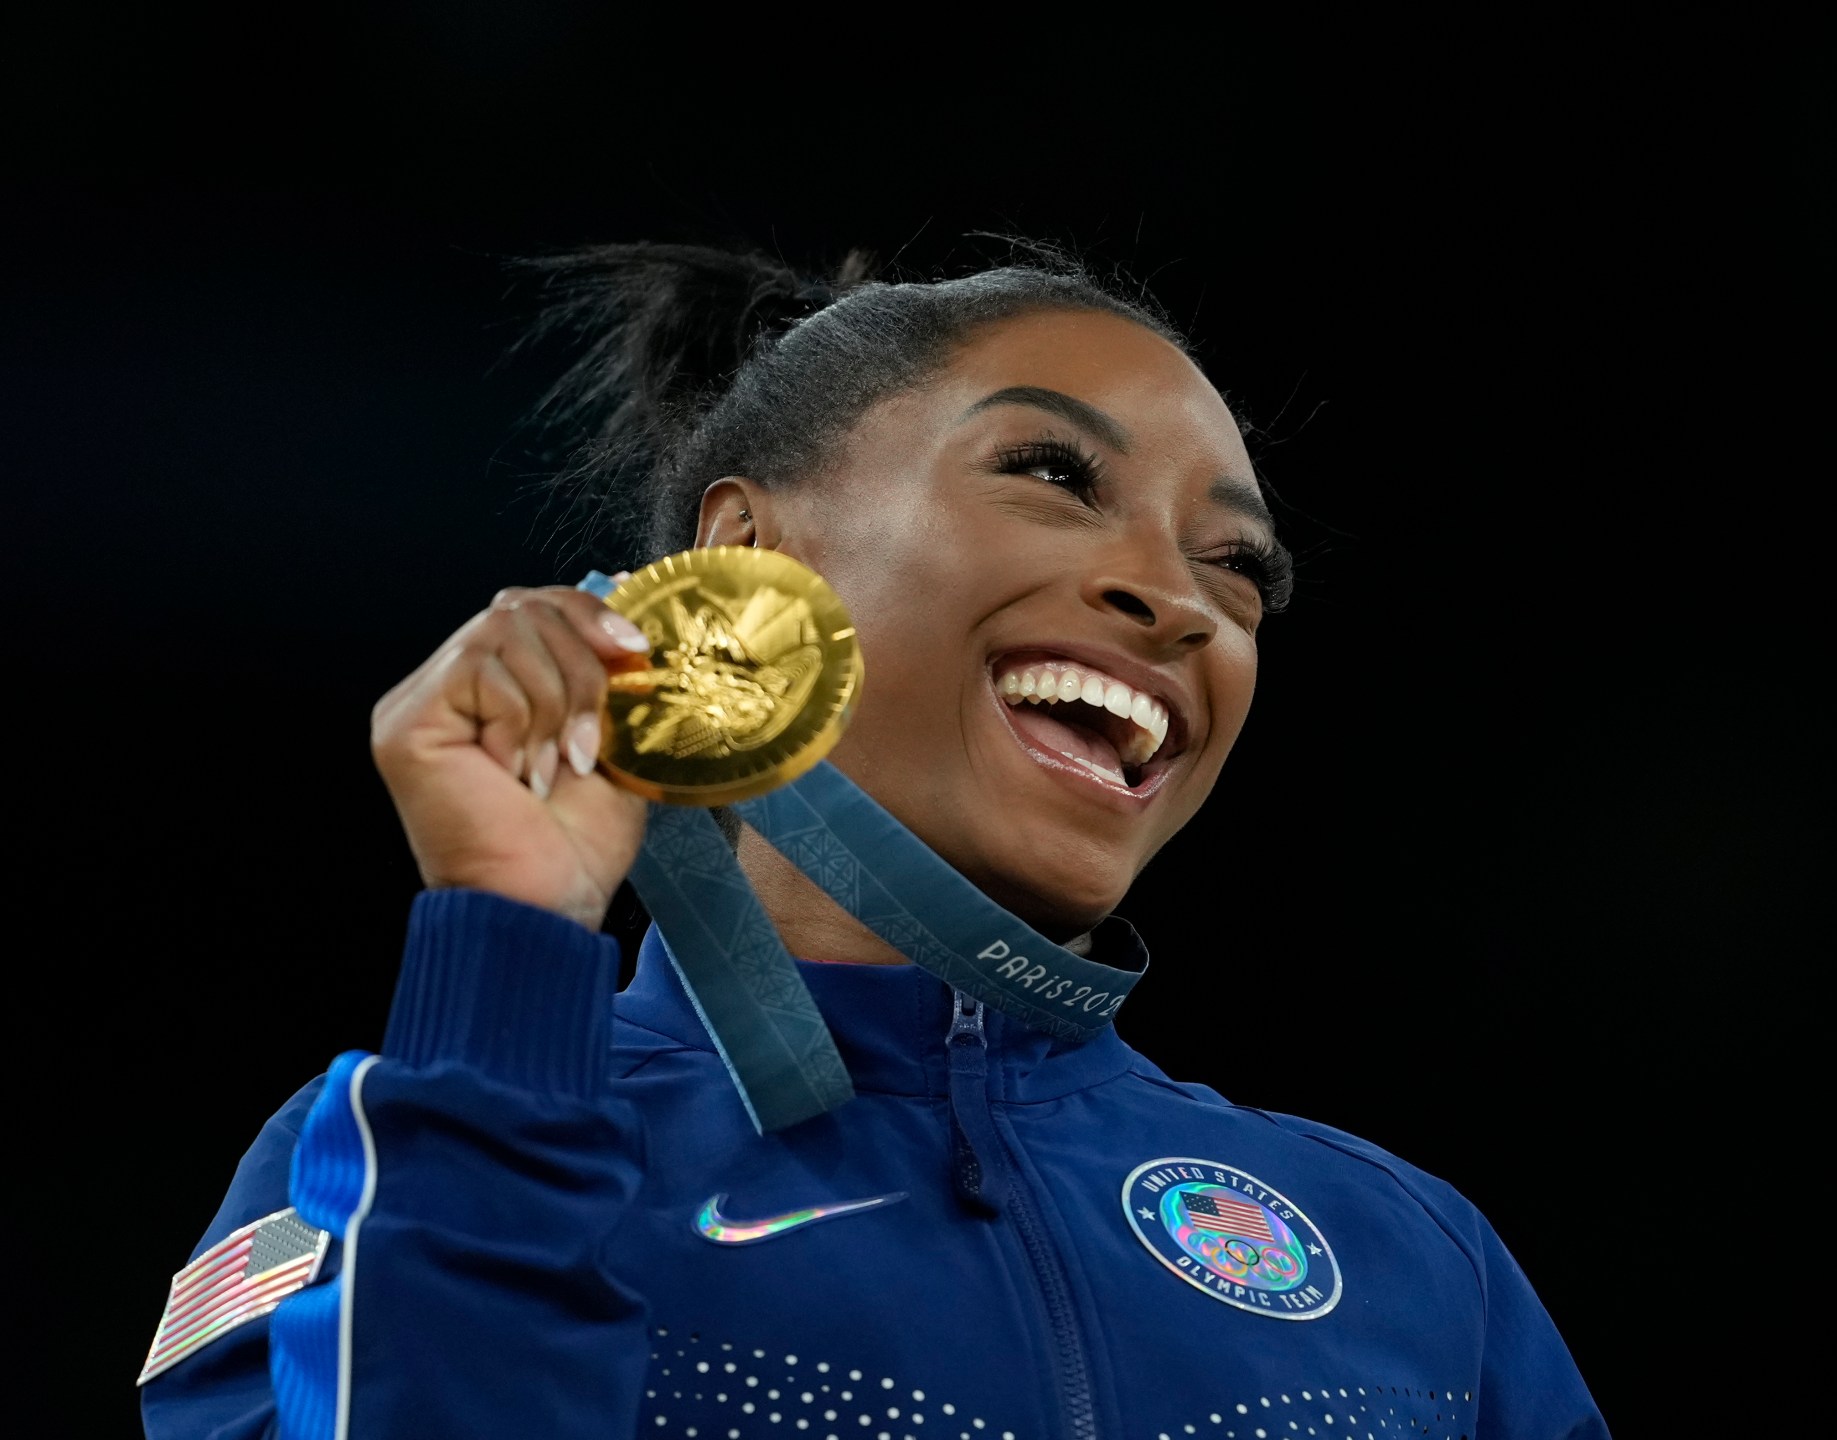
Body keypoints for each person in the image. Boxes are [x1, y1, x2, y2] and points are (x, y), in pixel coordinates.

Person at [139, 244, 1607, 1440]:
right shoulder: (431, 1144)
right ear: (757, 558)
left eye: (1238, 565)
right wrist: (508, 946)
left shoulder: (1416, 1261)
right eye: (1054, 473)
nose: (1181, 601)